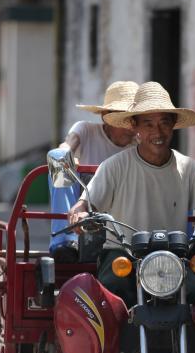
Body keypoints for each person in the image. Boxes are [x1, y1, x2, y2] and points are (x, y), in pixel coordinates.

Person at [67, 81, 195, 306]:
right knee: (110, 304)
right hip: (123, 255)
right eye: (148, 124)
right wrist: (78, 213)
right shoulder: (114, 166)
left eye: (164, 122)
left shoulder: (188, 167)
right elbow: (85, 203)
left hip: (174, 256)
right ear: (135, 127)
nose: (157, 132)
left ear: (173, 125)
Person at [50, 81, 139, 261]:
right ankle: (66, 241)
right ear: (106, 117)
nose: (130, 127)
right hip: (81, 209)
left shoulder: (140, 147)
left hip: (120, 212)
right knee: (58, 156)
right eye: (122, 120)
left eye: (133, 120)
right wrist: (69, 154)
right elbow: (65, 146)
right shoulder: (86, 130)